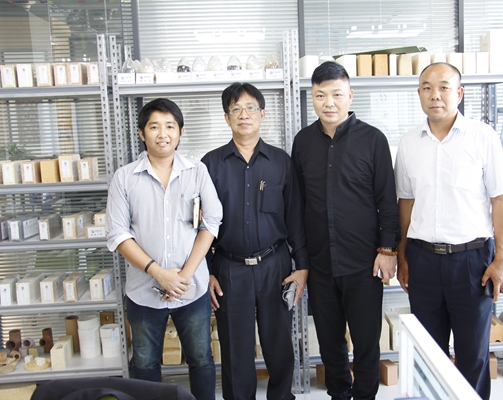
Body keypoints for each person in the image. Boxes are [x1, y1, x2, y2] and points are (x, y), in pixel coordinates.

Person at [394, 62, 503, 400]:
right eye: (427, 88)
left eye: (444, 87)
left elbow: (500, 201)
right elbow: (406, 203)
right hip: (423, 260)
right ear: (419, 94)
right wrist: (402, 256)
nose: (435, 95)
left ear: (459, 93)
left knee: (473, 354)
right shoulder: (409, 143)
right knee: (427, 354)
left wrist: (501, 260)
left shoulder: (482, 137)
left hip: (472, 261)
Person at [291, 61, 399, 400]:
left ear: (350, 96)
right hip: (321, 264)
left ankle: (365, 396)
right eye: (320, 95)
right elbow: (298, 205)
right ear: (312, 97)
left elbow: (387, 200)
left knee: (366, 342)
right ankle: (339, 394)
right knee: (329, 343)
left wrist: (387, 250)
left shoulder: (373, 140)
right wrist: (302, 260)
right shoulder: (303, 142)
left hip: (364, 263)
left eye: (337, 94)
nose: (329, 103)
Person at [106, 98, 222, 400]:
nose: (163, 134)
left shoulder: (197, 172)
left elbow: (211, 222)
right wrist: (158, 273)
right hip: (144, 289)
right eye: (154, 126)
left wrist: (183, 275)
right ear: (141, 133)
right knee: (144, 363)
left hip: (191, 288)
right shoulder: (124, 178)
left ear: (181, 132)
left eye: (170, 126)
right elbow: (118, 234)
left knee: (201, 358)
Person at [203, 82, 309, 400]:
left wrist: (302, 267)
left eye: (250, 108)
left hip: (275, 266)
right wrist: (205, 271)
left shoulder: (281, 162)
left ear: (262, 114)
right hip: (228, 268)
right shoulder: (210, 165)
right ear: (226, 117)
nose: (244, 114)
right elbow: (199, 225)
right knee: (235, 349)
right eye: (235, 109)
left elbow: (295, 218)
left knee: (279, 345)